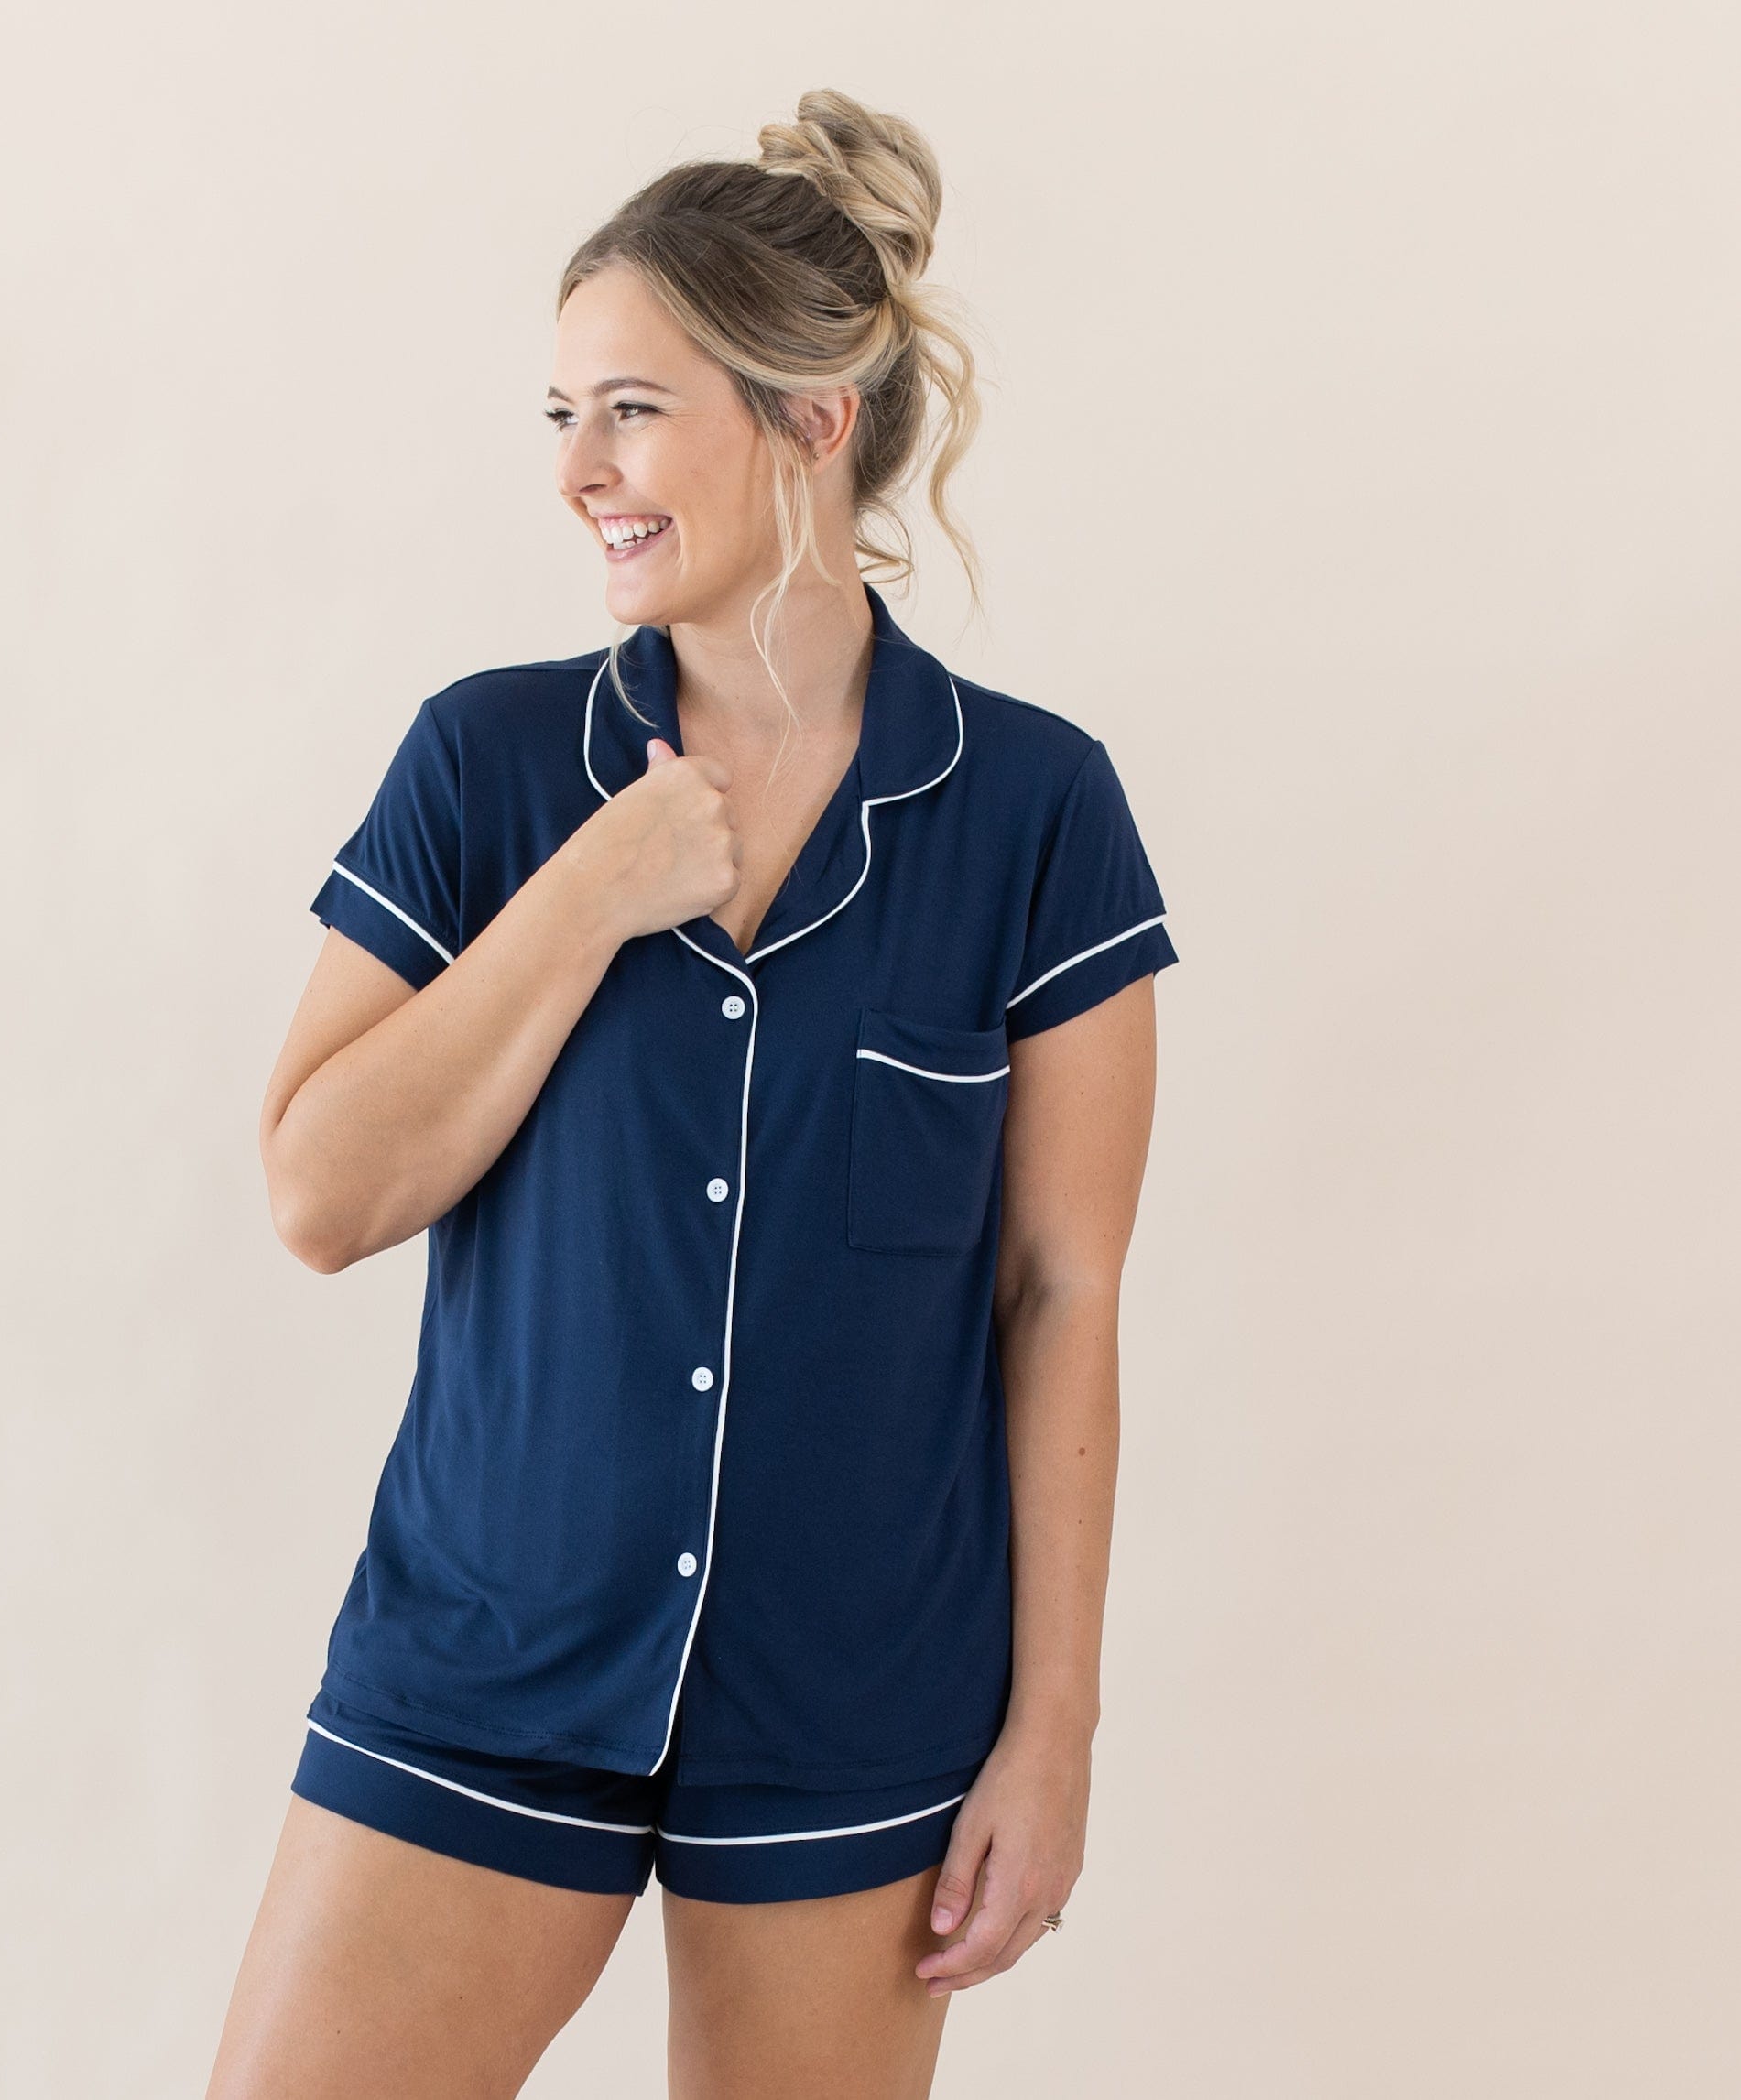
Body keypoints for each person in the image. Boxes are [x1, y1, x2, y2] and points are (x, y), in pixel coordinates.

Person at [207, 87, 1177, 2100]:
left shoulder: (1034, 810)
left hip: (856, 1701)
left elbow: (1061, 1290)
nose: (578, 471)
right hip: (484, 1661)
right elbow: (318, 1191)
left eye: (631, 411)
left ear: (812, 417)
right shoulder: (486, 768)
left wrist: (1052, 1732)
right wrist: (587, 894)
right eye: (561, 415)